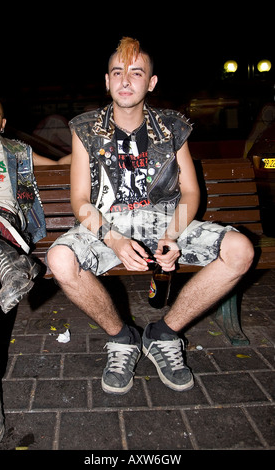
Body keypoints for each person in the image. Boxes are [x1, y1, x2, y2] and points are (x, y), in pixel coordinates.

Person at [47, 37, 254, 397]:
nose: (126, 80)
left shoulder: (172, 126)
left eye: (136, 72)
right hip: (109, 222)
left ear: (151, 83)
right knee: (59, 259)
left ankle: (164, 334)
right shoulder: (86, 128)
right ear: (107, 81)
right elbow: (80, 200)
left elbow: (190, 193)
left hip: (163, 219)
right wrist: (111, 236)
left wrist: (173, 236)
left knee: (240, 250)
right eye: (118, 72)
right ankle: (122, 339)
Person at [0, 94, 70, 449]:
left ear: (3, 123)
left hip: (6, 227)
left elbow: (64, 163)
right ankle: (6, 265)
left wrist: (93, 147)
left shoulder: (17, 153)